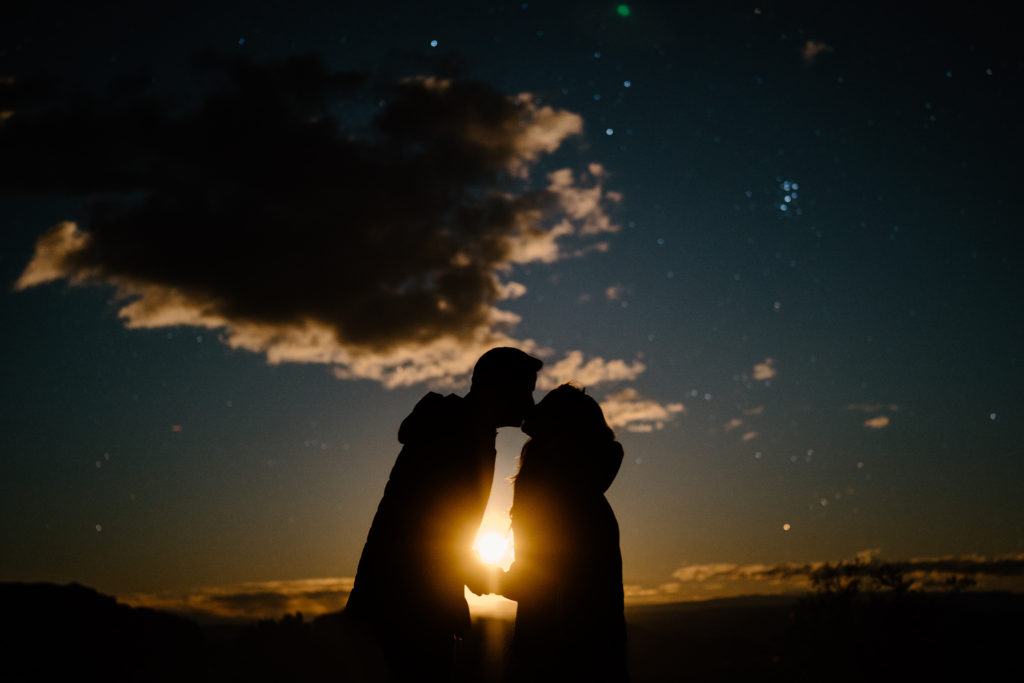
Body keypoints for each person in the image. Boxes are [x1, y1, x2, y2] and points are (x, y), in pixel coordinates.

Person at [345, 347, 543, 681]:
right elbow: (427, 532)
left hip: (410, 600)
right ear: (499, 388)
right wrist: (490, 579)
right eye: (525, 392)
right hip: (409, 604)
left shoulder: (467, 432)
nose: (529, 403)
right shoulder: (451, 434)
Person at [498, 383, 628, 682]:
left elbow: (537, 579)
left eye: (542, 405)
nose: (532, 408)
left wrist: (486, 577)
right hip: (594, 646)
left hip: (555, 647)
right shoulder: (587, 496)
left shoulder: (552, 490)